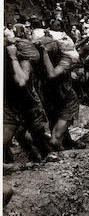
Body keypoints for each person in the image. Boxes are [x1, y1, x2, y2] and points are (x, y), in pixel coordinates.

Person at [3, 34, 53, 162]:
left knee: (35, 132)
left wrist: (13, 57)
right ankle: (29, 157)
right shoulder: (10, 58)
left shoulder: (24, 61)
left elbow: (21, 80)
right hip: (12, 104)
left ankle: (42, 155)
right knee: (16, 135)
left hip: (26, 102)